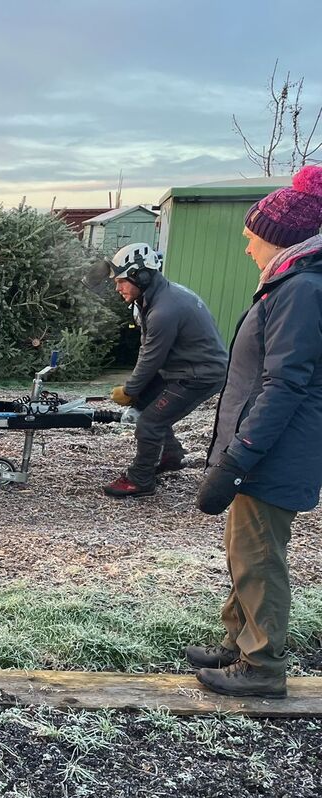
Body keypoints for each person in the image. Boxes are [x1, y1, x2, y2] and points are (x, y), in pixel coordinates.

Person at [187, 165, 322, 698]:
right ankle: (239, 642)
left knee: (260, 557)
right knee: (244, 552)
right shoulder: (290, 284)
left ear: (280, 241)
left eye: (251, 239)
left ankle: (262, 666)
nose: (246, 249)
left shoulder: (300, 290)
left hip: (274, 453)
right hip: (267, 450)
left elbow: (284, 385)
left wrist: (237, 458)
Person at [102, 242, 228, 498]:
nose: (118, 288)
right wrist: (137, 390)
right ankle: (170, 454)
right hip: (184, 369)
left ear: (142, 275)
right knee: (146, 400)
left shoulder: (164, 309)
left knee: (149, 423)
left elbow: (151, 357)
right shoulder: (159, 296)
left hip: (199, 376)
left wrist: (129, 389)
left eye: (122, 281)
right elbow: (148, 349)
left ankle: (140, 480)